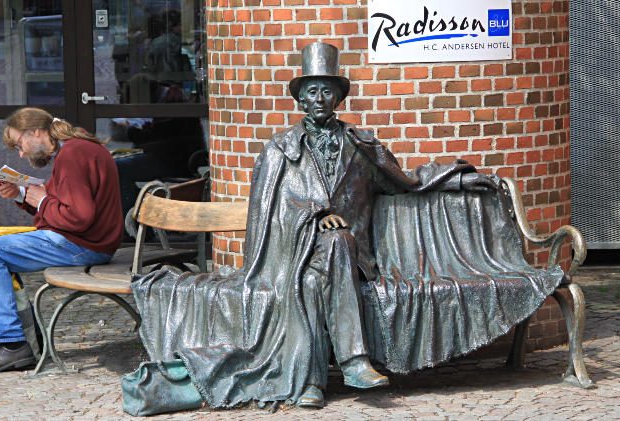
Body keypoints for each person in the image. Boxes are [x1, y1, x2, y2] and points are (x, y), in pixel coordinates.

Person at [131, 42, 497, 410]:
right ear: (301, 101)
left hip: (352, 260)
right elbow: (267, 214)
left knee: (331, 253)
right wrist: (313, 215)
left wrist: (459, 180)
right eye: (312, 92)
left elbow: (406, 182)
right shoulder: (279, 151)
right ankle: (350, 364)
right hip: (290, 255)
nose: (320, 98)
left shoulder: (362, 147)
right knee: (316, 266)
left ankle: (310, 383)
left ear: (338, 99)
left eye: (327, 91)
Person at [0, 107, 123, 374]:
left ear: (36, 132)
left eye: (20, 144)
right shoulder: (78, 148)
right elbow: (64, 204)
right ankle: (18, 338)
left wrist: (40, 199)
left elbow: (78, 217)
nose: (21, 153)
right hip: (90, 241)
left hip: (83, 246)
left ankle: (12, 346)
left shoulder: (73, 155)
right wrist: (21, 194)